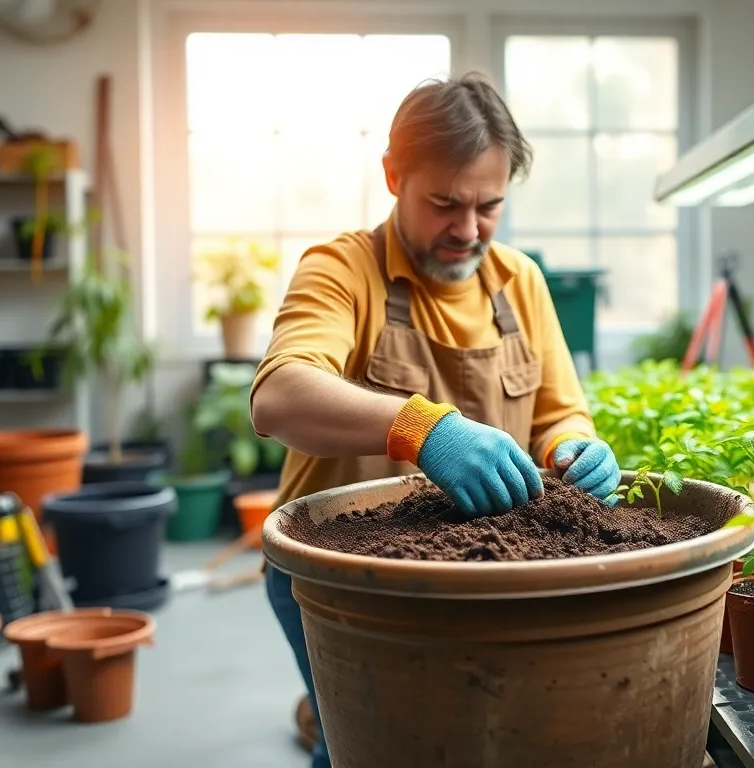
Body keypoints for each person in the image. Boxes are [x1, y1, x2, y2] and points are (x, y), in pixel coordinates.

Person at [248, 71, 622, 767]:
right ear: (394, 175)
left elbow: (560, 411)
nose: (468, 229)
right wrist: (424, 429)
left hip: (481, 565)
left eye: (490, 206)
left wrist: (578, 445)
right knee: (370, 744)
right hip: (337, 573)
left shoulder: (519, 280)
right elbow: (279, 396)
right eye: (445, 203)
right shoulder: (343, 269)